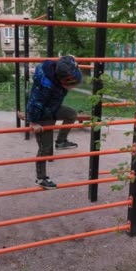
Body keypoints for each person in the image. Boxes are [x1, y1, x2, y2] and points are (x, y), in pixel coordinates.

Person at [18, 55, 82, 190]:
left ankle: (61, 141)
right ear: (61, 81)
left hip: (52, 108)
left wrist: (72, 60)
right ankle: (41, 178)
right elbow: (34, 104)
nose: (72, 88)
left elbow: (67, 58)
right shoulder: (45, 86)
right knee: (45, 148)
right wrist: (33, 122)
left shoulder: (62, 69)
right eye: (70, 86)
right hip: (41, 116)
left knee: (71, 114)